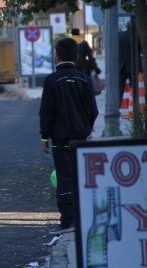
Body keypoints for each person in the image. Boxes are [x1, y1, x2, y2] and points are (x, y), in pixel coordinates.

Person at [39, 38, 98, 234]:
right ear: (76, 56)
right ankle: (84, 219)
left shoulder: (51, 81)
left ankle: (68, 222)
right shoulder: (84, 79)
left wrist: (44, 137)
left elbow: (46, 112)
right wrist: (86, 129)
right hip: (81, 139)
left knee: (64, 177)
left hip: (61, 140)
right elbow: (93, 110)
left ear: (56, 56)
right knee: (81, 176)